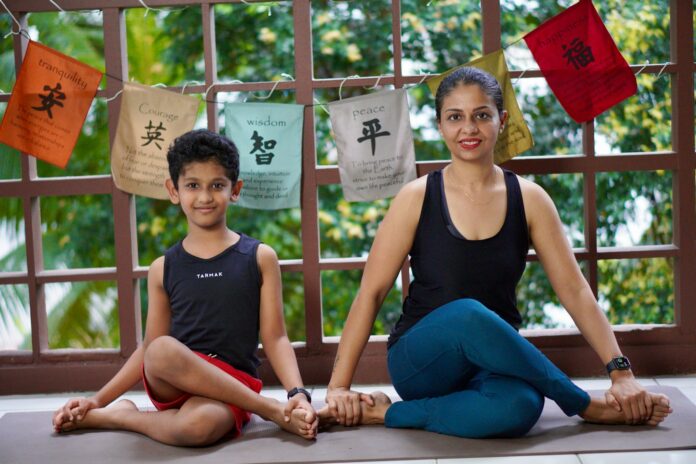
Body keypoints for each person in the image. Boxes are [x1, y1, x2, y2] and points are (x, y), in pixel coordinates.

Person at [320, 67, 673, 438]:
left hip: (494, 359)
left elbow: (575, 290)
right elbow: (371, 292)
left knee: (521, 408)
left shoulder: (531, 199)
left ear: (501, 121)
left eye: (481, 115)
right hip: (423, 360)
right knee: (468, 313)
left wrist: (621, 372)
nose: (468, 128)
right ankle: (584, 404)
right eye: (455, 117)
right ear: (440, 125)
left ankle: (385, 415)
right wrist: (338, 387)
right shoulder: (416, 197)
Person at [52, 129, 318, 445]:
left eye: (217, 185)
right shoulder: (163, 268)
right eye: (193, 186)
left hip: (233, 389)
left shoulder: (260, 257)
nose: (205, 197)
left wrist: (297, 393)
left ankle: (124, 417)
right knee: (161, 348)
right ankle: (273, 411)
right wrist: (97, 399)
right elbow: (149, 349)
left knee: (198, 428)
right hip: (174, 383)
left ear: (235, 190)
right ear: (173, 190)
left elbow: (275, 338)